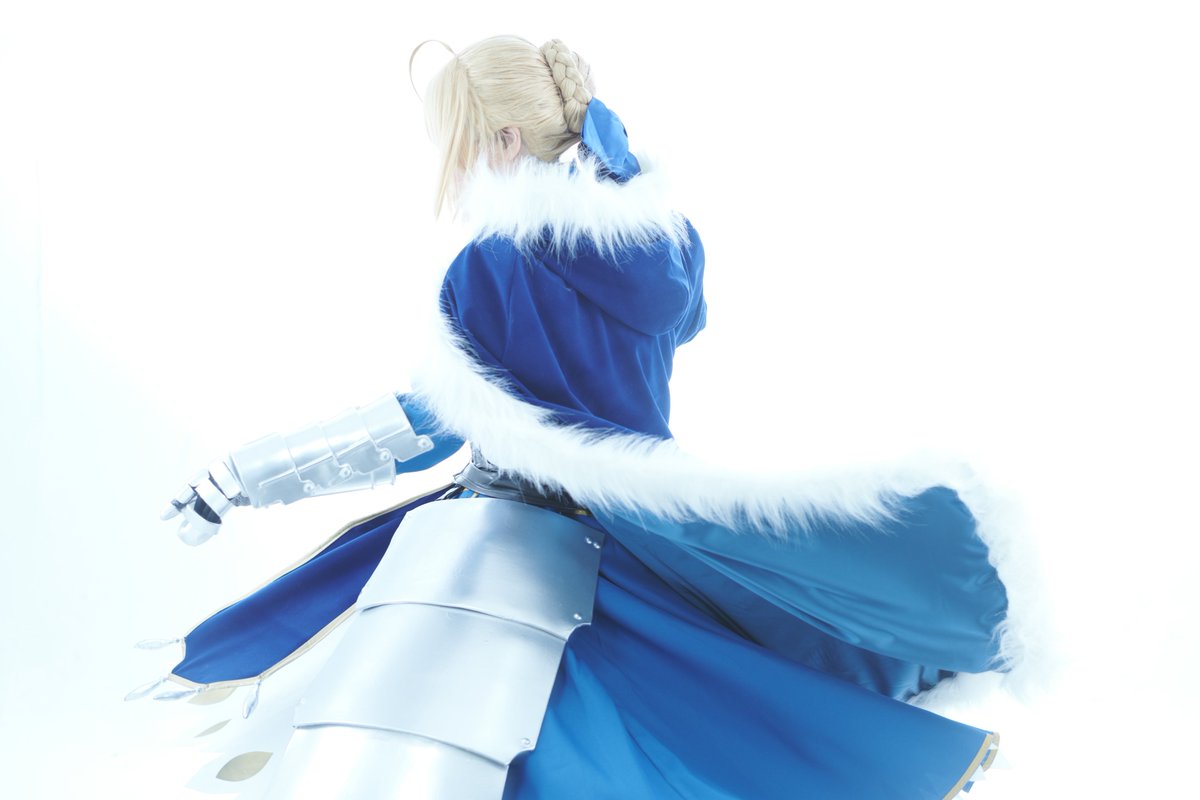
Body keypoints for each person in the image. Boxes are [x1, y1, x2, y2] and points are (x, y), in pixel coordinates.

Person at [143, 34, 1034, 799]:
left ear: (501, 138)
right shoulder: (668, 246)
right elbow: (675, 330)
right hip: (631, 544)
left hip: (498, 550)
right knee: (637, 740)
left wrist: (247, 474)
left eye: (458, 142)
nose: (453, 165)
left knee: (432, 742)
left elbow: (434, 421)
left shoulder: (496, 266)